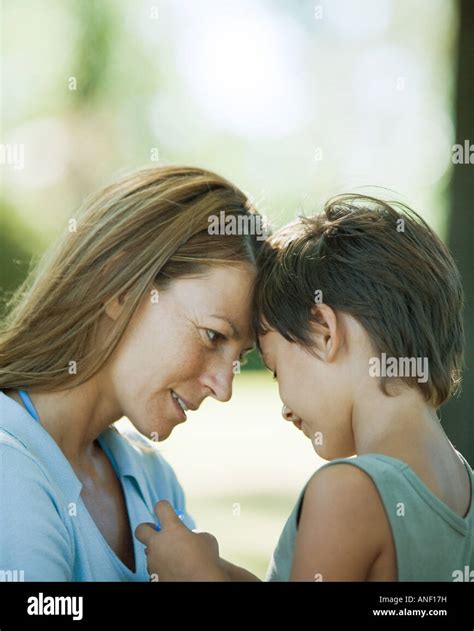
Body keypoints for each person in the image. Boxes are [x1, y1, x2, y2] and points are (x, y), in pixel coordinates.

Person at [136, 194, 474, 582]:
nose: (284, 408)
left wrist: (194, 575)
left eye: (276, 369)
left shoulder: (347, 492)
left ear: (324, 332)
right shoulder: (462, 490)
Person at [0, 165, 263, 581]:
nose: (224, 387)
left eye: (240, 357)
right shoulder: (8, 468)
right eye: (213, 336)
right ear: (120, 288)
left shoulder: (152, 478)